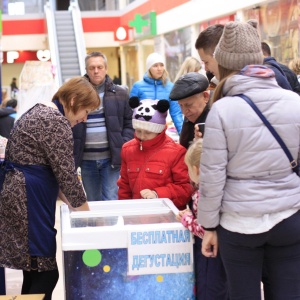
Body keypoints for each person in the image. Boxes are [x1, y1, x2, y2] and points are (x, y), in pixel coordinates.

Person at [198, 20, 300, 299]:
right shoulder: (293, 101)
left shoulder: (222, 109)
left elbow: (212, 176)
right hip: (289, 216)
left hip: (238, 223)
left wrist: (208, 226)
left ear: (224, 63)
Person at [0, 77, 100, 300]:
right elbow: (67, 176)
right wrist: (89, 220)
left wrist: (76, 207)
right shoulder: (54, 121)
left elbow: (57, 173)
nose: (84, 118)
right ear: (73, 100)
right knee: (45, 272)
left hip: (23, 196)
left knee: (33, 271)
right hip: (27, 201)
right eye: (85, 111)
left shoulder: (41, 111)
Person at [74, 51, 134, 201]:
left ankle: (111, 226)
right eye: (92, 67)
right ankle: (95, 226)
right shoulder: (77, 95)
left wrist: (122, 142)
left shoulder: (120, 93)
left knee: (111, 199)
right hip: (86, 160)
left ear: (106, 68)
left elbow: (129, 122)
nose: (96, 71)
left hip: (111, 159)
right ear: (86, 70)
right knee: (93, 201)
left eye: (100, 67)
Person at [117, 97, 192, 210]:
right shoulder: (127, 149)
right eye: (138, 131)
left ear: (159, 130)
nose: (142, 136)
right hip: (135, 214)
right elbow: (124, 185)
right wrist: (124, 211)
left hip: (165, 217)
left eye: (148, 132)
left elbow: (185, 189)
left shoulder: (177, 152)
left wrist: (157, 194)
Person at [177, 139, 228, 300]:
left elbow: (204, 228)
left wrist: (186, 218)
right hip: (229, 252)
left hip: (209, 256)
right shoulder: (227, 187)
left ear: (196, 169)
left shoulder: (202, 194)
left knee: (209, 291)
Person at [130, 52, 183, 134]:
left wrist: (183, 135)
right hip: (142, 133)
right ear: (149, 68)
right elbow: (130, 113)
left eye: (161, 65)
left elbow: (176, 113)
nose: (159, 68)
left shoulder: (170, 87)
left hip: (161, 132)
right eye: (155, 66)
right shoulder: (138, 86)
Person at [169, 72, 210, 149]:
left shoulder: (216, 118)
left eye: (188, 105)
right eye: (180, 105)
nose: (184, 111)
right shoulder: (193, 114)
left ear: (205, 96)